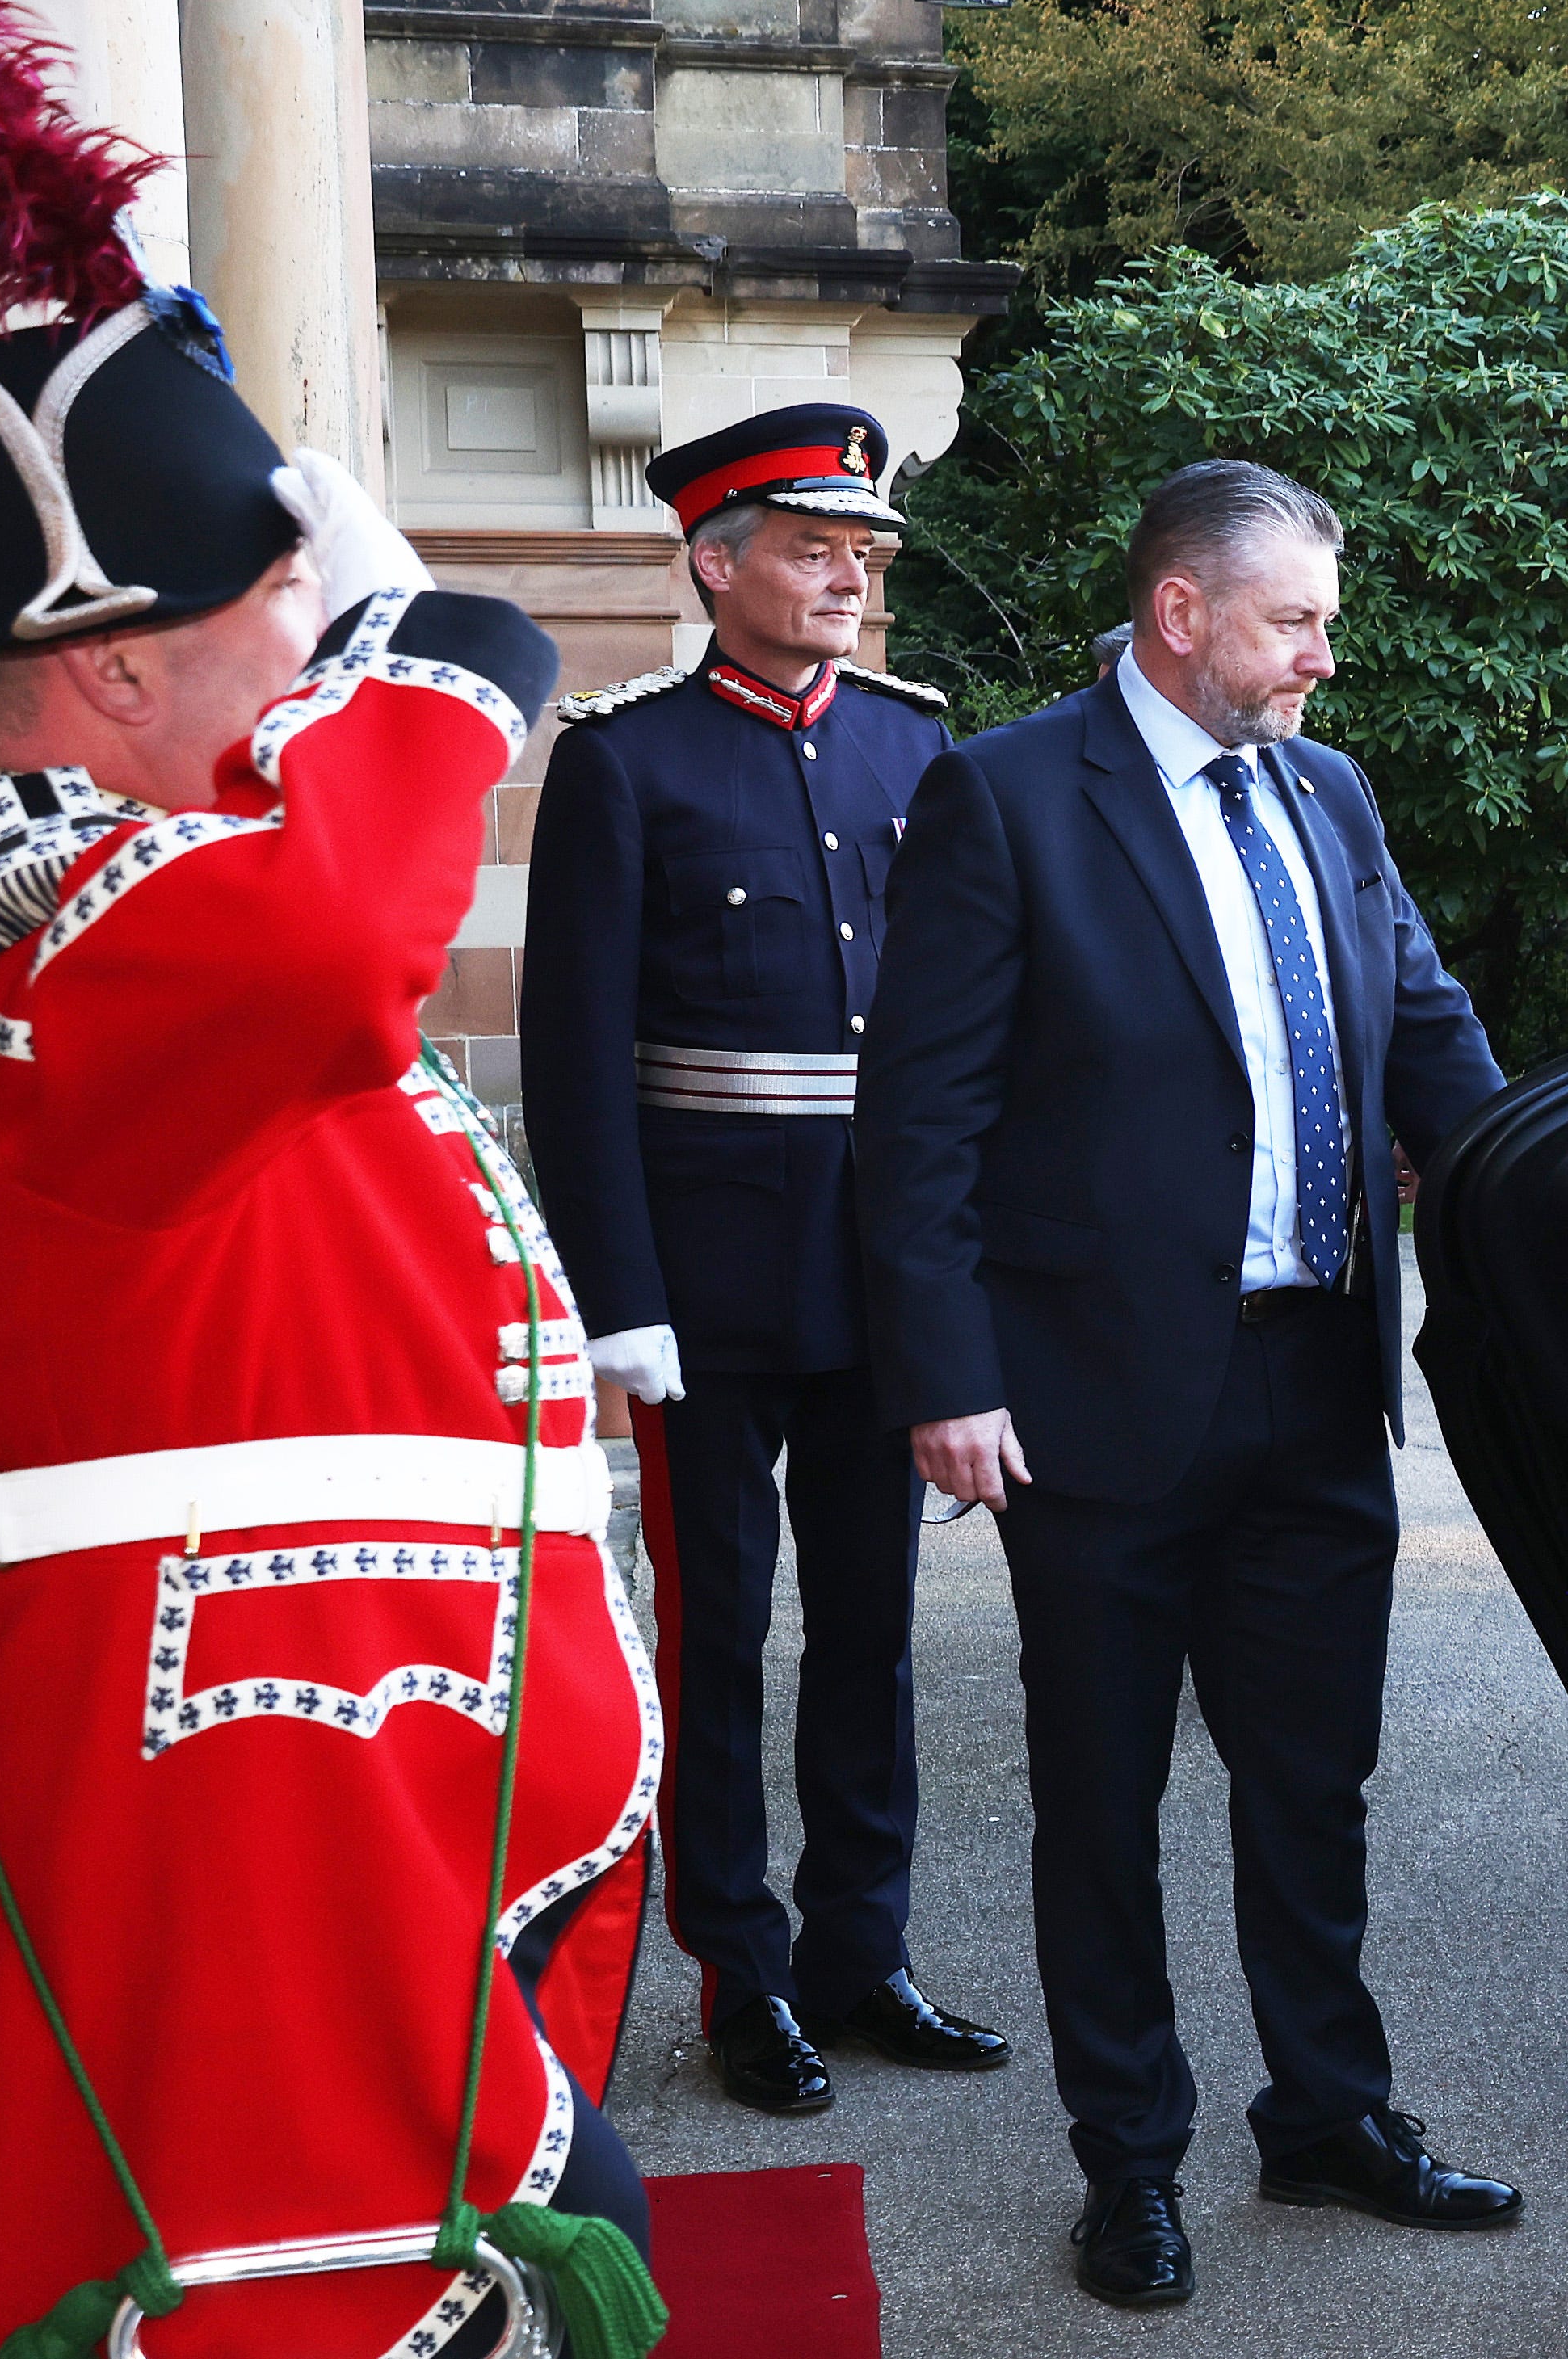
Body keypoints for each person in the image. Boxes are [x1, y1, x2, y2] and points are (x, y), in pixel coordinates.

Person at [0, 297, 662, 2356]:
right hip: (231, 1795)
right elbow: (321, 953)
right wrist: (444, 658)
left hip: (350, 1762)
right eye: (292, 603)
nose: (320, 646)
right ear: (110, 661)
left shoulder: (151, 885)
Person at [858, 459, 1515, 2308]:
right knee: (1102, 1804)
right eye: (1295, 619)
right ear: (1181, 613)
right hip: (1090, 1405)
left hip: (1315, 1384)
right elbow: (919, 1127)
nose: (1323, 654)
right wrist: (947, 1375)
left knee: (1314, 1784)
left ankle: (1324, 2115)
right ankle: (1127, 2163)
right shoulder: (1001, 796)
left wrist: (1534, 1218)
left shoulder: (1331, 792)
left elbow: (1432, 1030)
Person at [522, 405, 1009, 2117]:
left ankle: (859, 1954)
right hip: (708, 1288)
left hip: (881, 1277)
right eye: (814, 549)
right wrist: (619, 1304)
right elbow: (577, 1062)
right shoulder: (625, 759)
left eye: (863, 555)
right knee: (716, 1634)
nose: (846, 580)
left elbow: (962, 1048)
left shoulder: (914, 751)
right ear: (713, 561)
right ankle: (741, 1967)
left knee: (872, 1632)